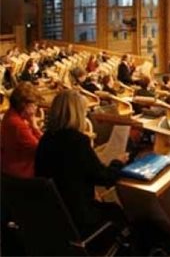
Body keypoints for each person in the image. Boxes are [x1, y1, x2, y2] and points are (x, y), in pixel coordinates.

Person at [35, 90, 129, 237]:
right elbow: (105, 178)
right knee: (116, 211)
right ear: (76, 114)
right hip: (79, 218)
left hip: (54, 216)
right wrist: (118, 162)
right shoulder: (77, 142)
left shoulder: (45, 140)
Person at [0, 83, 42, 178]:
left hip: (9, 167)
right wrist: (34, 126)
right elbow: (41, 148)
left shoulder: (11, 114)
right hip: (20, 174)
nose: (36, 107)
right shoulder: (18, 125)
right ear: (24, 104)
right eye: (34, 104)